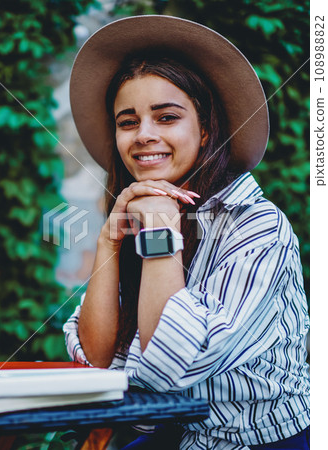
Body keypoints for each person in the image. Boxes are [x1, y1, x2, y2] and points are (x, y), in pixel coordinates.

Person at [63, 15, 310, 450]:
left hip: (256, 441)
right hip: (172, 435)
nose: (144, 135)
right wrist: (108, 239)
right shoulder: (136, 212)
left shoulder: (257, 227)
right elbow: (97, 360)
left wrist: (159, 228)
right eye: (127, 121)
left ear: (206, 128)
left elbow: (170, 367)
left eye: (166, 117)